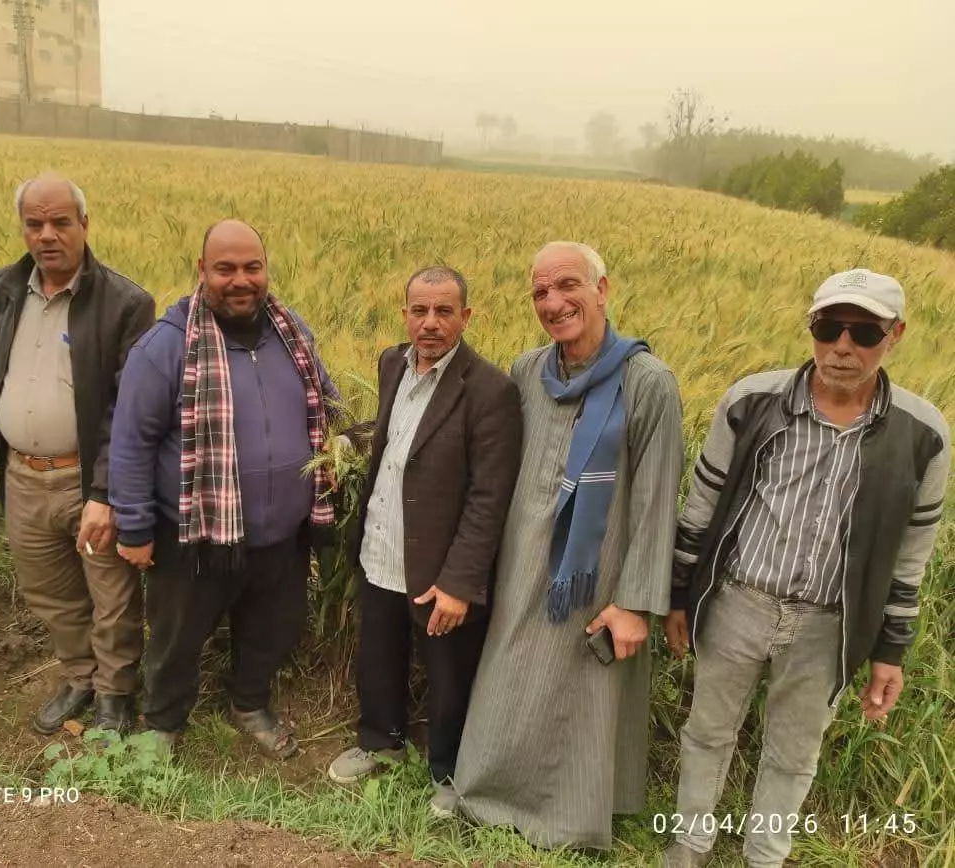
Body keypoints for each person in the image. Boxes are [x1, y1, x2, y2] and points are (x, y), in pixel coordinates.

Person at [663, 269, 950, 868]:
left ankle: (765, 857)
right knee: (708, 731)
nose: (842, 346)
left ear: (895, 335)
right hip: (739, 600)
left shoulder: (924, 434)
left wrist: (890, 651)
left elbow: (910, 558)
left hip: (828, 623)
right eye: (828, 327)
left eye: (863, 332)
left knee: (793, 754)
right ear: (811, 327)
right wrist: (679, 596)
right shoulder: (751, 401)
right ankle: (689, 845)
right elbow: (701, 508)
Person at [453, 241, 685, 848]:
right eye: (540, 292)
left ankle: (568, 819)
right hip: (523, 558)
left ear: (602, 290)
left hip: (597, 570)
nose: (553, 302)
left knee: (581, 693)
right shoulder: (528, 370)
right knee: (511, 674)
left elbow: (658, 499)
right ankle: (486, 793)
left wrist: (634, 603)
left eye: (568, 285)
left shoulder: (648, 382)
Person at [109, 219, 341, 758]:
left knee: (271, 627)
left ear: (266, 269)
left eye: (252, 267)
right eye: (226, 268)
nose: (241, 280)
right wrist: (135, 527)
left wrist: (340, 451)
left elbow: (327, 404)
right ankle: (162, 721)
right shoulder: (165, 346)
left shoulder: (293, 333)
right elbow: (131, 441)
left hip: (282, 532)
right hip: (195, 535)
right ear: (202, 270)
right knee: (177, 637)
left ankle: (249, 703)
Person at [326, 266, 522, 816]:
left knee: (450, 673)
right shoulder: (392, 362)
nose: (430, 322)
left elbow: (489, 497)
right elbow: (393, 440)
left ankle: (450, 770)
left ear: (466, 316)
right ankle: (380, 740)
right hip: (381, 549)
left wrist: (460, 583)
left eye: (443, 311)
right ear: (405, 314)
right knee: (378, 654)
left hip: (440, 569)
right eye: (419, 310)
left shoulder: (491, 391)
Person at [0, 175, 155, 736]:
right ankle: (81, 676)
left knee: (111, 594)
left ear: (85, 224)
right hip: (22, 476)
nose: (47, 235)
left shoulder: (125, 303)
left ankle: (115, 693)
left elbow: (126, 409)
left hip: (84, 480)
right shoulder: (2, 289)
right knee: (50, 592)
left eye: (60, 222)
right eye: (34, 224)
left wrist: (105, 492)